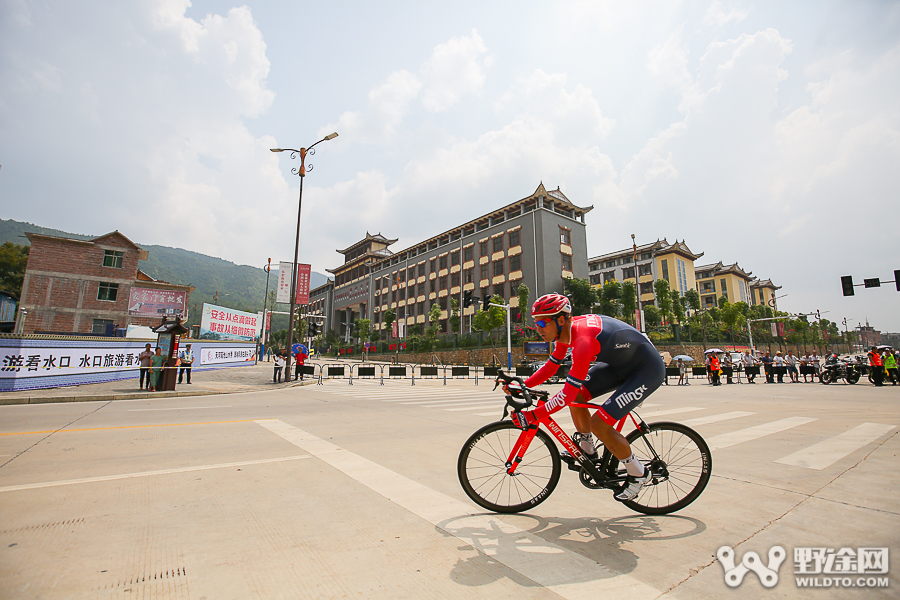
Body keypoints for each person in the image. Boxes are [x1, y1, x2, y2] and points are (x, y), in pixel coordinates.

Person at [509, 294, 664, 502]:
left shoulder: (583, 341)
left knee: (599, 424)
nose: (537, 328)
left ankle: (639, 473)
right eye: (535, 322)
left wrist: (533, 415)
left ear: (560, 319)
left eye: (541, 322)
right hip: (619, 365)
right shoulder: (566, 333)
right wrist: (523, 384)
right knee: (579, 396)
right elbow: (552, 367)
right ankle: (588, 450)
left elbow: (566, 395)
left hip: (646, 369)